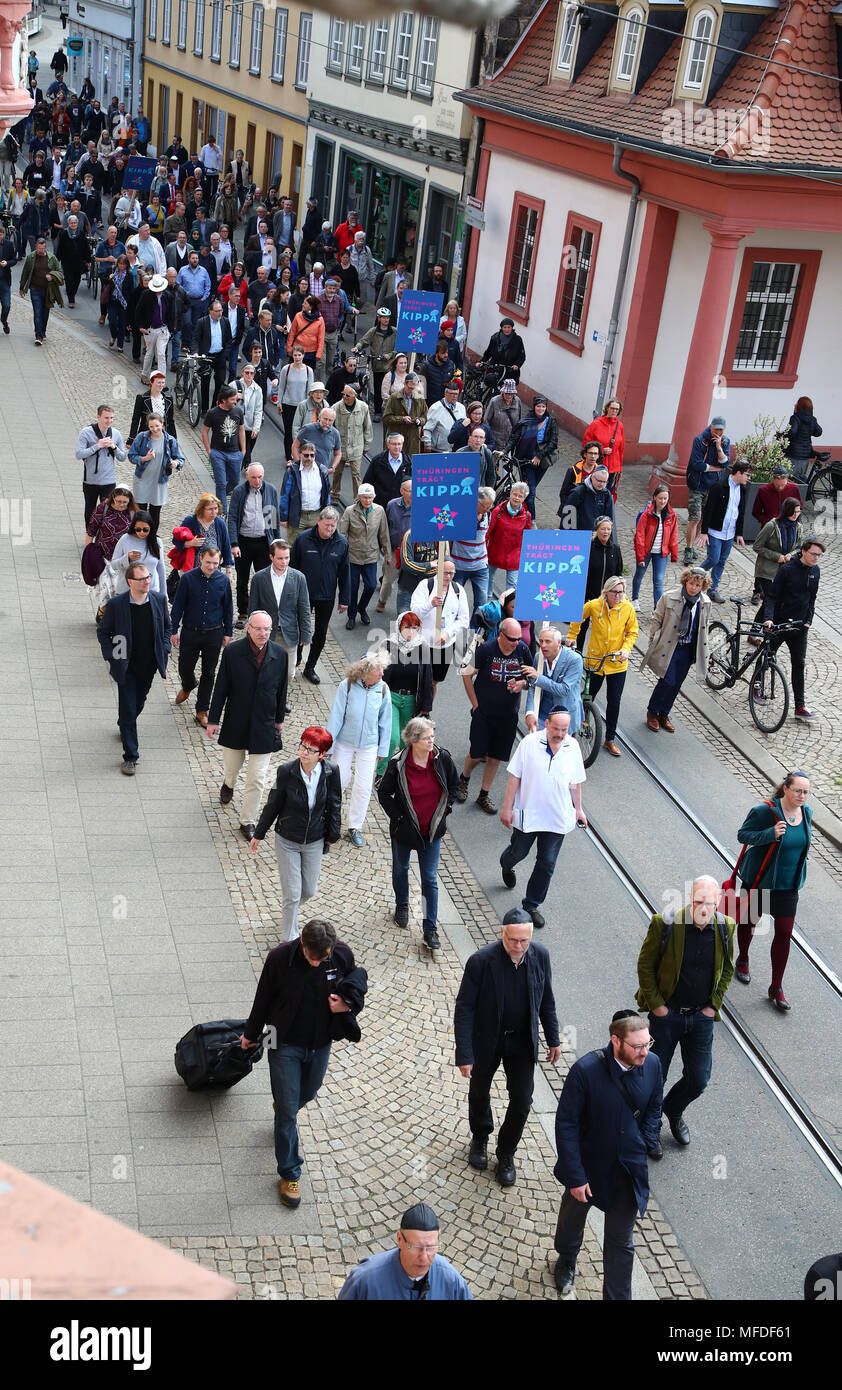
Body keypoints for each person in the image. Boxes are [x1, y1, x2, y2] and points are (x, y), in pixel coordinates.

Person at [240, 918, 365, 1209]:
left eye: (321, 959)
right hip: (280, 1040)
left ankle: (285, 1105)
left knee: (306, 1094)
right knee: (287, 1112)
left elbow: (356, 981)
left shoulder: (341, 955)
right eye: (311, 956)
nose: (315, 963)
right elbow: (263, 998)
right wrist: (250, 1035)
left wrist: (347, 1004)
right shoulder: (279, 958)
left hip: (320, 1042)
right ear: (302, 944)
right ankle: (289, 1173)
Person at [553, 1011, 663, 1300]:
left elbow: (654, 1105)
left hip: (628, 1171)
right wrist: (576, 1177)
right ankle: (566, 1258)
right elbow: (566, 1124)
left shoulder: (652, 1064)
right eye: (637, 1046)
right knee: (572, 1219)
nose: (644, 1051)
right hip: (590, 1168)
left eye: (647, 1043)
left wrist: (646, 1138)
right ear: (616, 1041)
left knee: (621, 1244)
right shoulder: (586, 1071)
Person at [455, 909, 560, 1186]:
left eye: (524, 941)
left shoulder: (541, 956)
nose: (518, 946)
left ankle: (506, 1152)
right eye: (513, 940)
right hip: (487, 1040)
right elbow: (464, 1008)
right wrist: (465, 1053)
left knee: (523, 1101)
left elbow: (546, 998)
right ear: (502, 932)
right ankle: (480, 1137)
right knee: (479, 1092)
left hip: (522, 1042)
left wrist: (553, 1038)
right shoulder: (480, 961)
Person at [636, 877, 735, 1150]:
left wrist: (713, 1006)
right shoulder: (665, 923)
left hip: (701, 1018)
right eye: (699, 901)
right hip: (667, 1016)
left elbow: (727, 969)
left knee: (699, 1079)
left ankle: (673, 1109)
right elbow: (645, 965)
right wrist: (658, 1006)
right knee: (656, 1075)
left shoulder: (726, 927)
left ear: (717, 903)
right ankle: (651, 1125)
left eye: (710, 903)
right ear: (690, 899)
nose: (704, 908)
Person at [250, 728, 342, 942]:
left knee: (308, 890)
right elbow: (273, 804)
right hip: (287, 840)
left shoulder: (331, 772)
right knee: (292, 893)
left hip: (314, 839)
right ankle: (289, 939)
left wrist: (332, 833)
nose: (304, 752)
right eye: (303, 746)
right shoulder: (287, 771)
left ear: (322, 754)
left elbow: (334, 803)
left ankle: (288, 912)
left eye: (311, 749)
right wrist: (259, 834)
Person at [499, 708, 587, 929]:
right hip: (529, 814)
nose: (559, 733)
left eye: (564, 729)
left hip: (557, 818)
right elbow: (514, 777)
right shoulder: (529, 743)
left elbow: (575, 783)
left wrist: (579, 810)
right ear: (546, 724)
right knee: (518, 852)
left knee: (547, 862)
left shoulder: (572, 747)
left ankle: (531, 905)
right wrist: (507, 808)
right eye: (556, 728)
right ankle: (506, 865)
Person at [377, 717, 460, 951]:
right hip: (404, 832)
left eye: (433, 736)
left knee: (430, 879)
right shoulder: (399, 764)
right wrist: (400, 818)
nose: (432, 740)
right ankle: (402, 904)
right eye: (427, 737)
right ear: (414, 740)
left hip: (431, 832)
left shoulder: (442, 759)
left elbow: (453, 786)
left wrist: (445, 810)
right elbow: (384, 794)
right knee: (401, 868)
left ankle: (429, 927)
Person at [734, 773, 812, 1012]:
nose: (802, 796)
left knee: (784, 933)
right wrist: (770, 834)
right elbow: (743, 835)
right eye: (798, 791)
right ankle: (743, 958)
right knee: (749, 922)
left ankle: (776, 986)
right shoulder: (764, 811)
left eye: (806, 792)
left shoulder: (806, 812)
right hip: (760, 879)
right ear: (785, 789)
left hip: (788, 887)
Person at [207, 612, 289, 840]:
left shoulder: (280, 655)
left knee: (257, 777)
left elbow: (282, 690)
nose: (264, 633)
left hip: (264, 725)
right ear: (249, 629)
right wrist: (213, 720)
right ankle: (229, 782)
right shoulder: (233, 652)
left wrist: (279, 719)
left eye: (267, 629)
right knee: (233, 766)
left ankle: (248, 820)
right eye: (259, 629)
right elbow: (221, 686)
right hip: (237, 721)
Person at [97, 562, 171, 776]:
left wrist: (165, 646)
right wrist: (112, 655)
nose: (147, 581)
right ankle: (131, 756)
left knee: (139, 702)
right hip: (126, 666)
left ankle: (124, 722)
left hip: (149, 665)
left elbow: (167, 627)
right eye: (142, 578)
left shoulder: (158, 600)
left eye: (148, 577)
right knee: (129, 709)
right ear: (130, 582)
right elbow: (104, 633)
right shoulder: (118, 605)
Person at [457, 618, 531, 814]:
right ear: (501, 634)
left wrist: (522, 684)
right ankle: (464, 778)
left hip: (508, 715)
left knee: (496, 756)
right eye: (512, 639)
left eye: (518, 638)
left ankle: (484, 794)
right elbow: (466, 675)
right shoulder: (486, 649)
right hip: (484, 713)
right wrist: (475, 705)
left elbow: (530, 677)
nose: (516, 642)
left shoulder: (522, 650)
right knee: (477, 753)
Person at [566, 576, 638, 757]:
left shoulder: (628, 609)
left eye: (621, 592)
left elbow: (632, 632)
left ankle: (610, 739)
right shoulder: (594, 605)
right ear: (606, 592)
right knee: (589, 694)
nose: (618, 596)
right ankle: (581, 720)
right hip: (596, 660)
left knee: (614, 700)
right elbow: (577, 618)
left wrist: (626, 649)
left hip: (616, 663)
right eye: (614, 592)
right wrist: (572, 636)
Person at [339, 1202, 471, 1301]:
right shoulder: (364, 1280)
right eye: (416, 1247)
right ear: (399, 1239)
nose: (424, 1258)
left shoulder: (452, 1281)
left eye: (431, 1248)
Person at [326, 654, 391, 848]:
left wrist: (383, 748)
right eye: (377, 669)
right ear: (365, 671)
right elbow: (336, 715)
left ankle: (355, 827)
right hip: (344, 742)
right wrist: (328, 745)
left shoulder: (383, 689)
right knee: (340, 780)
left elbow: (385, 721)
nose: (381, 673)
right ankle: (329, 819)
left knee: (363, 787)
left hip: (369, 746)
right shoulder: (346, 685)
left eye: (382, 669)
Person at [641, 566, 712, 733]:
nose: (694, 588)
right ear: (685, 581)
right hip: (670, 646)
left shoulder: (705, 603)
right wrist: (653, 641)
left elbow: (704, 625)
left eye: (698, 585)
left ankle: (664, 714)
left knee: (676, 684)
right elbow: (656, 619)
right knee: (667, 680)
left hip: (688, 649)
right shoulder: (669, 597)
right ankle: (652, 711)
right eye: (692, 583)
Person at [170, 546, 233, 726]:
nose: (212, 566)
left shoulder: (223, 581)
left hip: (214, 632)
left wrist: (227, 632)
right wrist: (174, 630)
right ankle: (188, 685)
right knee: (185, 667)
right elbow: (178, 606)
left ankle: (202, 710)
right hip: (191, 631)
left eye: (215, 563)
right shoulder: (188, 579)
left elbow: (228, 608)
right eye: (208, 562)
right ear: (200, 559)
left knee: (209, 672)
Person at [762, 536, 823, 720]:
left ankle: (799, 707)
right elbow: (771, 596)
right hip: (779, 624)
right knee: (766, 655)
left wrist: (808, 620)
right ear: (803, 551)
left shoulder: (815, 571)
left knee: (799, 664)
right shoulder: (787, 569)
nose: (816, 558)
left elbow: (812, 598)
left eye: (819, 555)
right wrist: (769, 619)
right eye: (813, 554)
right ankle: (757, 686)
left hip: (799, 627)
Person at [290, 508, 350, 684]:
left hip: (326, 596)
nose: (330, 529)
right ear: (319, 521)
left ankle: (310, 667)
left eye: (333, 526)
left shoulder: (342, 543)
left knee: (321, 632)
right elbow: (292, 567)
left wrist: (344, 599)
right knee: (300, 628)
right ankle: (296, 659)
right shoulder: (303, 539)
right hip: (304, 594)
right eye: (327, 525)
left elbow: (345, 572)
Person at [248, 539, 311, 680]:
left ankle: (280, 701)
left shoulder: (299, 578)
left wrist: (306, 633)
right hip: (265, 632)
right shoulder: (258, 578)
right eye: (280, 558)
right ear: (271, 557)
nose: (284, 562)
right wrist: (251, 631)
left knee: (288, 674)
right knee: (264, 672)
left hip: (289, 633)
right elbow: (253, 607)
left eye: (287, 558)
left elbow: (304, 607)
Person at [227, 463, 280, 627]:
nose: (257, 481)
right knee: (242, 579)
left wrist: (276, 541)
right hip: (244, 541)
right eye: (253, 478)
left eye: (259, 477)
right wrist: (234, 543)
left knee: (264, 579)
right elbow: (233, 517)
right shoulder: (239, 492)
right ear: (247, 477)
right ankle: (243, 612)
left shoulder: (270, 490)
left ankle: (263, 613)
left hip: (263, 541)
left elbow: (273, 515)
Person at [410, 559, 471, 691]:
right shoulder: (426, 585)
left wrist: (448, 633)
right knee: (417, 679)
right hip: (423, 642)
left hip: (445, 645)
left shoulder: (458, 590)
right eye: (445, 573)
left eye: (452, 573)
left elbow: (464, 619)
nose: (448, 577)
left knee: (434, 682)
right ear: (437, 570)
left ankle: (426, 710)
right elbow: (414, 612)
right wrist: (430, 604)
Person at [699, 458, 752, 602]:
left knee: (721, 561)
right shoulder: (719, 486)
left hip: (730, 532)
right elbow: (709, 509)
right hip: (715, 531)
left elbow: (741, 512)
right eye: (747, 475)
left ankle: (713, 588)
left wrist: (739, 533)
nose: (749, 478)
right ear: (739, 473)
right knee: (713, 558)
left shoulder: (743, 489)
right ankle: (696, 575)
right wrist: (704, 532)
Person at [338, 483, 390, 630]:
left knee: (371, 585)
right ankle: (352, 616)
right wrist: (342, 554)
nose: (368, 500)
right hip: (353, 556)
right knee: (353, 588)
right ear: (359, 497)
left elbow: (384, 533)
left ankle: (362, 607)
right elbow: (342, 534)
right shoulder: (349, 511)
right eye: (365, 497)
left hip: (371, 555)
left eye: (370, 497)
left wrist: (387, 553)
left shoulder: (379, 511)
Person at [750, 496, 803, 635]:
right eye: (794, 512)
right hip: (767, 570)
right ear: (787, 511)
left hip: (784, 571)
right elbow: (757, 546)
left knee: (772, 599)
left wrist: (792, 554)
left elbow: (799, 546)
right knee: (770, 598)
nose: (796, 514)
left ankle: (757, 627)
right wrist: (776, 556)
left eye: (798, 512)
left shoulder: (798, 527)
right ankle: (759, 628)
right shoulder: (771, 526)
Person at [685, 416, 730, 563]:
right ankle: (688, 549)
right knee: (695, 518)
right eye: (715, 428)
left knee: (703, 519)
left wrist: (718, 448)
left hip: (714, 488)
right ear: (710, 426)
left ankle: (692, 548)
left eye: (721, 429)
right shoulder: (699, 440)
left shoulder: (725, 441)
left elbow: (725, 462)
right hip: (697, 485)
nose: (718, 432)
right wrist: (716, 468)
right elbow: (697, 464)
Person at [576, 514, 623, 653]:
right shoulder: (587, 548)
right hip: (587, 595)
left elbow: (618, 574)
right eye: (603, 529)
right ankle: (578, 654)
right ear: (597, 529)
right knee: (582, 627)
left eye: (608, 529)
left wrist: (618, 594)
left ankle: (597, 657)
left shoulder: (615, 550)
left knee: (602, 630)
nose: (606, 532)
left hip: (606, 598)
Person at [128, 412, 184, 528]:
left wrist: (175, 463)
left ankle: (152, 538)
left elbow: (180, 459)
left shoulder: (170, 440)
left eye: (157, 426)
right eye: (151, 426)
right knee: (140, 513)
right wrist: (145, 458)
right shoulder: (142, 437)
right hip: (142, 480)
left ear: (162, 424)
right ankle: (140, 536)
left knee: (155, 513)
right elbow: (131, 456)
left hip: (159, 481)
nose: (155, 429)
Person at [523, 628, 583, 734]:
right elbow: (533, 686)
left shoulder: (575, 660)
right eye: (541, 641)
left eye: (547, 641)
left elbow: (564, 690)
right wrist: (530, 712)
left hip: (563, 715)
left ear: (558, 643)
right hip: (542, 712)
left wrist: (539, 678)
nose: (543, 645)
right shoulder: (538, 657)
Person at [76, 404, 128, 525]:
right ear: (98, 417)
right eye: (106, 418)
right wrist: (97, 446)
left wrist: (113, 447)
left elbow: (122, 457)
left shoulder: (116, 434)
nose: (109, 421)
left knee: (107, 511)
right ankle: (89, 538)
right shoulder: (86, 433)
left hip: (109, 481)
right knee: (90, 509)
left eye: (111, 418)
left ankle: (103, 537)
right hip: (90, 480)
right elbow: (79, 454)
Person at [509, 396, 558, 518]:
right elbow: (514, 438)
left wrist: (539, 456)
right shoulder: (527, 420)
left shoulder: (551, 421)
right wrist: (505, 451)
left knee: (530, 489)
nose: (541, 409)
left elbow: (553, 442)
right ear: (534, 407)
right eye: (538, 406)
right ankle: (532, 521)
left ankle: (522, 514)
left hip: (543, 460)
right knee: (530, 494)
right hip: (527, 460)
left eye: (543, 406)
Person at [632, 484, 678, 610]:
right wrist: (640, 556)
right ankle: (635, 598)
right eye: (660, 498)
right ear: (654, 498)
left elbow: (673, 535)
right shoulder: (646, 515)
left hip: (661, 553)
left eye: (665, 498)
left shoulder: (671, 515)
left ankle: (657, 609)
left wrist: (674, 554)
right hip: (646, 552)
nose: (663, 501)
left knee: (658, 581)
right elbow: (640, 536)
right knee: (639, 575)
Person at [450, 486, 495, 616]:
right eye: (485, 506)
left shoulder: (488, 514)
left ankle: (476, 632)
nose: (487, 510)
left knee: (481, 604)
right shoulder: (461, 513)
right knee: (454, 601)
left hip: (480, 565)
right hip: (459, 565)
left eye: (489, 507)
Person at [202, 384, 246, 513]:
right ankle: (223, 513)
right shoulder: (213, 413)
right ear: (224, 400)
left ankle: (218, 499)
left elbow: (241, 429)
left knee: (235, 481)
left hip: (235, 453)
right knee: (221, 483)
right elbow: (205, 431)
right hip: (218, 453)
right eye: (232, 399)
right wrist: (209, 451)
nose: (235, 401)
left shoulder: (238, 411)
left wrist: (243, 451)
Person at [485, 482, 532, 594]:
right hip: (495, 552)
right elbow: (488, 532)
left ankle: (508, 608)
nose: (516, 498)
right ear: (510, 494)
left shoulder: (526, 516)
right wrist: (483, 550)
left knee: (512, 587)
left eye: (520, 496)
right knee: (488, 580)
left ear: (524, 498)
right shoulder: (498, 511)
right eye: (514, 494)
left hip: (514, 556)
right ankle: (486, 604)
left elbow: (528, 538)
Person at [329, 385, 372, 504]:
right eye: (343, 394)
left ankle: (358, 499)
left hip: (356, 446)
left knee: (356, 474)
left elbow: (367, 427)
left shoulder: (363, 407)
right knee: (338, 471)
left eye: (348, 395)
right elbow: (330, 428)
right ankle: (335, 493)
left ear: (355, 396)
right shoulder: (336, 407)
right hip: (340, 446)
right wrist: (331, 444)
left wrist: (367, 445)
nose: (344, 397)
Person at [106, 511, 166, 597]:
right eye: (138, 529)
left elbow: (160, 568)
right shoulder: (125, 539)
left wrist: (163, 594)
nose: (141, 532)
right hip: (127, 591)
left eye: (145, 530)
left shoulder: (157, 542)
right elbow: (113, 565)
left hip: (150, 591)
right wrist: (127, 558)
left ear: (151, 528)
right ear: (133, 527)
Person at [18, 234, 64, 343]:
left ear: (45, 247)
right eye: (39, 248)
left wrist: (52, 276)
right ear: (35, 246)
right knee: (37, 312)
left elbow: (60, 273)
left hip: (48, 291)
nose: (41, 250)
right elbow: (25, 273)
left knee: (45, 313)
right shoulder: (31, 258)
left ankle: (43, 331)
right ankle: (38, 336)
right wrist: (22, 287)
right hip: (35, 289)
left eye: (43, 248)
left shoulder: (52, 258)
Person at [354, 306, 397, 414]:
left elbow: (399, 348)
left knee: (391, 390)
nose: (386, 320)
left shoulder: (394, 331)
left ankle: (389, 411)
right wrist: (357, 347)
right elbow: (363, 341)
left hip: (390, 366)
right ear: (379, 318)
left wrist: (391, 354)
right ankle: (378, 412)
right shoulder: (373, 331)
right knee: (378, 390)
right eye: (383, 317)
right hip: (377, 366)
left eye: (387, 318)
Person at [277, 346, 314, 459]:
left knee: (302, 432)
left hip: (302, 406)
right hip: (288, 404)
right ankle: (289, 456)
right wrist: (279, 403)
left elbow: (310, 390)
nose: (297, 357)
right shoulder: (286, 369)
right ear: (292, 356)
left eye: (299, 355)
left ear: (303, 355)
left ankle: (300, 455)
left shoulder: (308, 371)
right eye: (295, 355)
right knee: (288, 431)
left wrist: (310, 406)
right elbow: (281, 387)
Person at [583, 398, 624, 499]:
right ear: (607, 408)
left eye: (616, 409)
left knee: (606, 493)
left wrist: (619, 468)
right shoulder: (596, 424)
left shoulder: (620, 426)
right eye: (612, 408)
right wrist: (601, 450)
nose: (614, 411)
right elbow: (586, 443)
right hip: (598, 464)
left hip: (613, 467)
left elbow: (621, 448)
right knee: (594, 490)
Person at [382, 372, 428, 457]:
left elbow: (425, 416)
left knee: (410, 465)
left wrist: (419, 421)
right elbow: (386, 417)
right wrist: (402, 419)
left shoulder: (420, 398)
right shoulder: (394, 398)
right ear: (404, 384)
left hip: (412, 439)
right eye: (410, 388)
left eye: (414, 388)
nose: (412, 390)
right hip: (396, 438)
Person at [564, 464, 616, 533]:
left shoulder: (606, 494)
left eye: (604, 482)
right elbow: (567, 518)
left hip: (597, 536)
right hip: (580, 534)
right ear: (592, 477)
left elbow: (609, 519)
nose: (601, 484)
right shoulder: (578, 492)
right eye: (599, 481)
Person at [128, 371, 176, 445]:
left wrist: (174, 439)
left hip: (163, 436)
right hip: (146, 436)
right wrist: (131, 438)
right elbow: (136, 419)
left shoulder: (168, 399)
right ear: (151, 382)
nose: (161, 385)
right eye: (158, 382)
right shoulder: (142, 398)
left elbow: (170, 420)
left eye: (163, 383)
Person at [751, 464, 803, 533]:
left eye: (783, 485)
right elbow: (756, 512)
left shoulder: (794, 488)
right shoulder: (763, 490)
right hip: (770, 529)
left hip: (789, 528)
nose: (780, 487)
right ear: (773, 479)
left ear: (787, 480)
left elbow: (800, 508)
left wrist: (792, 519)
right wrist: (767, 522)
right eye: (777, 485)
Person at [781, 396, 822, 482]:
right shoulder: (812, 419)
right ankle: (801, 494)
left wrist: (782, 436)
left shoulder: (795, 418)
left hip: (793, 454)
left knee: (788, 479)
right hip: (805, 455)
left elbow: (792, 432)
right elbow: (818, 432)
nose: (795, 404)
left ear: (800, 406)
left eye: (797, 403)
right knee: (799, 479)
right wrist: (809, 430)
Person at [234, 361, 264, 470]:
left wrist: (256, 428)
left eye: (252, 373)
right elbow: (223, 401)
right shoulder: (234, 385)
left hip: (249, 425)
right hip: (236, 425)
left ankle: (246, 465)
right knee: (238, 449)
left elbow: (258, 410)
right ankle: (238, 468)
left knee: (247, 449)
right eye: (247, 372)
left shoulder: (258, 390)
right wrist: (234, 396)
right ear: (242, 372)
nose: (249, 375)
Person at [424, 379, 467, 453]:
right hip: (438, 449)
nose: (454, 396)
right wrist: (427, 444)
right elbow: (428, 428)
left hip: (457, 449)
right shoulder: (435, 407)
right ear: (445, 393)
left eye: (456, 394)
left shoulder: (462, 408)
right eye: (451, 393)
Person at [55, 213, 89, 307]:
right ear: (69, 224)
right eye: (71, 223)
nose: (73, 224)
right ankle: (71, 299)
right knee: (69, 280)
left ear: (77, 224)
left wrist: (88, 260)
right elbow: (60, 247)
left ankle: (73, 293)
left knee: (77, 279)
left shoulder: (81, 233)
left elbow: (86, 247)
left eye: (75, 223)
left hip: (78, 262)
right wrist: (57, 259)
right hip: (67, 261)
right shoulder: (64, 233)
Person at [483, 317, 525, 382]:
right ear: (501, 328)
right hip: (495, 368)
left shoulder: (517, 340)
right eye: (505, 327)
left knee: (507, 391)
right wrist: (481, 361)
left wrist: (517, 365)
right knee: (493, 387)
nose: (507, 329)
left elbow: (522, 356)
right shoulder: (495, 338)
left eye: (509, 327)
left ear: (512, 328)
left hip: (510, 370)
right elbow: (488, 352)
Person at [0, 219, 17, 332]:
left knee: (6, 305)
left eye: (0, 233)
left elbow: (14, 260)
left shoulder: (9, 244)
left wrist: (7, 263)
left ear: (3, 234)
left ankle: (4, 321)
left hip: (5, 280)